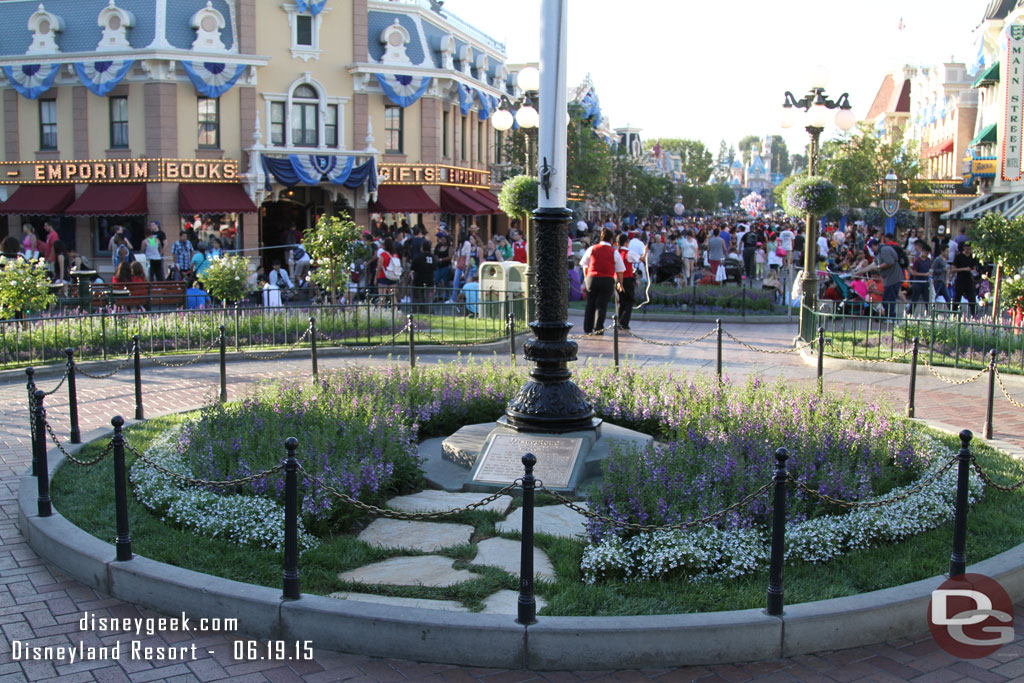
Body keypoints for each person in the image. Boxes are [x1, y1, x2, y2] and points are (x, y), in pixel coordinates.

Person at [579, 227, 625, 335]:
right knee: (601, 305)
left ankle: (587, 328)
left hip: (592, 278)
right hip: (607, 280)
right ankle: (598, 328)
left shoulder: (592, 249)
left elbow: (584, 264)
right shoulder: (613, 252)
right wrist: (620, 283)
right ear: (611, 240)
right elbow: (620, 270)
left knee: (590, 304)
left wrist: (586, 278)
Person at [950, 241, 980, 317]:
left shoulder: (973, 257)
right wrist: (963, 269)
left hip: (969, 280)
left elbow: (974, 268)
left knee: (972, 298)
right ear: (964, 248)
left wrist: (974, 271)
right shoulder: (959, 257)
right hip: (960, 279)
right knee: (957, 298)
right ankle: (953, 314)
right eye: (966, 249)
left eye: (969, 249)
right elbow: (953, 269)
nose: (968, 250)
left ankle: (974, 314)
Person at [616, 233, 638, 330]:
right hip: (627, 278)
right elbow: (640, 258)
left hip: (616, 278)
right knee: (629, 300)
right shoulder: (628, 253)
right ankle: (624, 322)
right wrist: (645, 252)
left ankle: (618, 321)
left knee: (620, 301)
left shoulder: (616, 252)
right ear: (626, 242)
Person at [908, 240, 932, 314]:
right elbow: (914, 273)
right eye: (926, 252)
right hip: (918, 282)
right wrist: (925, 274)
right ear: (923, 251)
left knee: (927, 300)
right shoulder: (917, 260)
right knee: (914, 300)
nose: (927, 254)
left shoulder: (928, 260)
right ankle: (910, 313)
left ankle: (929, 313)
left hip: (925, 283)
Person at [410, 239, 436, 303]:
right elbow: (435, 268)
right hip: (429, 281)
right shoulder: (433, 258)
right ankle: (428, 311)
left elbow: (413, 268)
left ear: (422, 248)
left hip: (418, 280)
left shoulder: (418, 257)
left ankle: (416, 310)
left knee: (417, 298)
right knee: (428, 299)